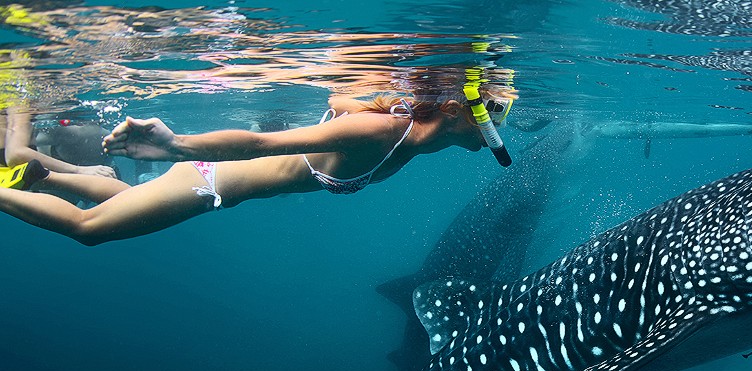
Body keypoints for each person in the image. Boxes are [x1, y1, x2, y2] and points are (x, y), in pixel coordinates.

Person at [0, 86, 515, 245]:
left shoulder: (404, 133)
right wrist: (178, 143)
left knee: (115, 195)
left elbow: (338, 100)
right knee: (88, 230)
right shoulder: (380, 133)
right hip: (207, 181)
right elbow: (258, 143)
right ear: (455, 110)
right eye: (498, 113)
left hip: (215, 190)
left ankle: (53, 177)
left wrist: (355, 101)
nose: (501, 126)